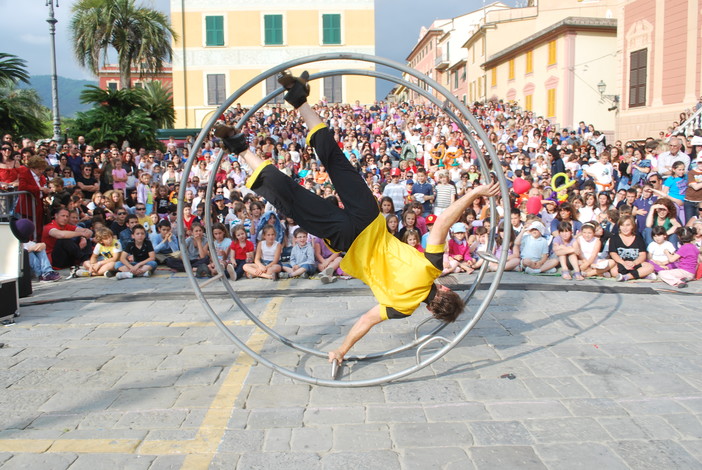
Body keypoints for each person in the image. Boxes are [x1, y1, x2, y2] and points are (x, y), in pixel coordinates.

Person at [214, 70, 500, 364]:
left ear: (444, 288)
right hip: (346, 239)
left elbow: (442, 222)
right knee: (292, 201)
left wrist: (475, 192)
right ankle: (240, 147)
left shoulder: (432, 269)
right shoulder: (399, 308)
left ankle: (299, 101)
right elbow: (364, 322)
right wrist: (341, 350)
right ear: (429, 310)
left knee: (336, 161)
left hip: (370, 217)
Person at [609, 215, 654, 281]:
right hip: (621, 263)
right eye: (622, 225)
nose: (625, 228)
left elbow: (642, 255)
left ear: (632, 226)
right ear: (619, 227)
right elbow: (613, 253)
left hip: (635, 263)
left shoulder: (638, 239)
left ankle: (626, 277)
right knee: (613, 272)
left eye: (628, 225)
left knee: (650, 267)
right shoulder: (614, 238)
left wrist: (634, 263)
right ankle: (640, 275)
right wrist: (623, 263)